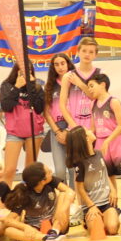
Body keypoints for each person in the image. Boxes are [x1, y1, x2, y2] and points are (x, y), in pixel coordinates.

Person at [3, 162, 73, 241]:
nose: (51, 172)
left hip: (56, 223)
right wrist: (25, 227)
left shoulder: (52, 181)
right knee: (8, 231)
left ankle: (53, 233)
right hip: (35, 230)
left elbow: (70, 192)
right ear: (42, 181)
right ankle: (46, 238)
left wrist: (62, 210)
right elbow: (8, 220)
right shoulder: (24, 192)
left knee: (63, 195)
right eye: (48, 172)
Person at [65, 126, 120, 237]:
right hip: (91, 205)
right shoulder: (80, 163)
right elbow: (80, 188)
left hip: (106, 202)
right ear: (85, 139)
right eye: (87, 131)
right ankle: (87, 219)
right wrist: (91, 206)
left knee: (112, 228)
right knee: (97, 231)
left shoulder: (99, 154)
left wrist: (113, 191)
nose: (91, 131)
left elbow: (105, 175)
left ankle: (109, 215)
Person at [0, 62, 46, 186]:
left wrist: (32, 87)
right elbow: (6, 106)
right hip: (14, 133)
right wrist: (17, 87)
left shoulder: (36, 87)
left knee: (30, 171)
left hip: (34, 132)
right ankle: (5, 196)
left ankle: (27, 195)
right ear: (16, 71)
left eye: (28, 70)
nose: (26, 73)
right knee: (9, 170)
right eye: (22, 70)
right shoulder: (7, 85)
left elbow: (39, 108)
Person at [86, 72, 121, 180]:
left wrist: (108, 141)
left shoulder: (113, 101)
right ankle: (113, 191)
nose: (89, 89)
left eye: (91, 86)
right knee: (107, 174)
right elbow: (93, 128)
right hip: (100, 141)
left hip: (115, 140)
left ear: (102, 85)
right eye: (88, 87)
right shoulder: (92, 104)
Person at [42, 53, 74, 181]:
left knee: (73, 169)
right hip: (57, 128)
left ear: (68, 64)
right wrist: (57, 131)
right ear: (53, 67)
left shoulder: (75, 82)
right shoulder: (50, 86)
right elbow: (46, 113)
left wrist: (70, 129)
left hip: (73, 126)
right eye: (56, 64)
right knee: (60, 170)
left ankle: (74, 194)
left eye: (62, 63)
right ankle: (64, 193)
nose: (60, 67)